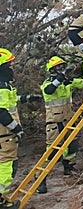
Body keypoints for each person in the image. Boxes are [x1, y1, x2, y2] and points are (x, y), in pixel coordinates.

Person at [36, 56, 83, 194]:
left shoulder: (66, 82)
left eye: (62, 67)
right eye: (59, 67)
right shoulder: (47, 83)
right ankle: (40, 179)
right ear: (52, 69)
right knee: (52, 152)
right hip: (54, 123)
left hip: (68, 120)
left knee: (72, 145)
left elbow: (81, 83)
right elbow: (49, 90)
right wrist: (61, 77)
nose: (62, 69)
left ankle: (68, 168)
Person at [0, 48, 42, 209]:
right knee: (6, 167)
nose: (12, 68)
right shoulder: (1, 87)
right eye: (9, 65)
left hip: (4, 136)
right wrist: (16, 128)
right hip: (5, 137)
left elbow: (10, 101)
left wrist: (28, 98)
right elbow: (1, 111)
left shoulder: (4, 86)